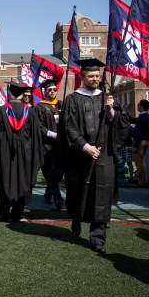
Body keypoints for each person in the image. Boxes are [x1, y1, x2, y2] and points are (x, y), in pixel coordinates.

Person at [61, 58, 128, 254]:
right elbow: (69, 127)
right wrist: (85, 146)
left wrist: (111, 111)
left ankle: (97, 238)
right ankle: (76, 219)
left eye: (98, 76)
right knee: (78, 193)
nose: (95, 79)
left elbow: (122, 125)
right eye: (91, 76)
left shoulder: (107, 98)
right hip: (80, 157)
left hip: (103, 156)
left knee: (101, 195)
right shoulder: (73, 99)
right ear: (82, 77)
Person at [0, 82, 44, 222]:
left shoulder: (0, 112)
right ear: (22, 95)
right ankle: (18, 212)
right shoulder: (30, 113)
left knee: (4, 179)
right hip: (25, 156)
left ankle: (3, 212)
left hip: (4, 155)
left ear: (9, 94)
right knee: (22, 180)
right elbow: (36, 138)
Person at [34, 78, 64, 209]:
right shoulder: (39, 107)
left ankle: (47, 194)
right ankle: (58, 198)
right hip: (46, 146)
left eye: (54, 89)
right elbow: (39, 126)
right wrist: (53, 134)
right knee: (50, 173)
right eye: (50, 90)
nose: (52, 91)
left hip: (61, 146)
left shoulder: (62, 105)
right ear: (44, 92)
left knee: (58, 174)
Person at [133, 99, 149, 187]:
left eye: (138, 105)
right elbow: (133, 120)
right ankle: (141, 180)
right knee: (141, 161)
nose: (137, 106)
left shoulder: (143, 117)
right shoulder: (145, 116)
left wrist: (136, 145)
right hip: (145, 140)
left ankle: (142, 182)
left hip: (140, 141)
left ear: (142, 107)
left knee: (139, 162)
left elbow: (139, 132)